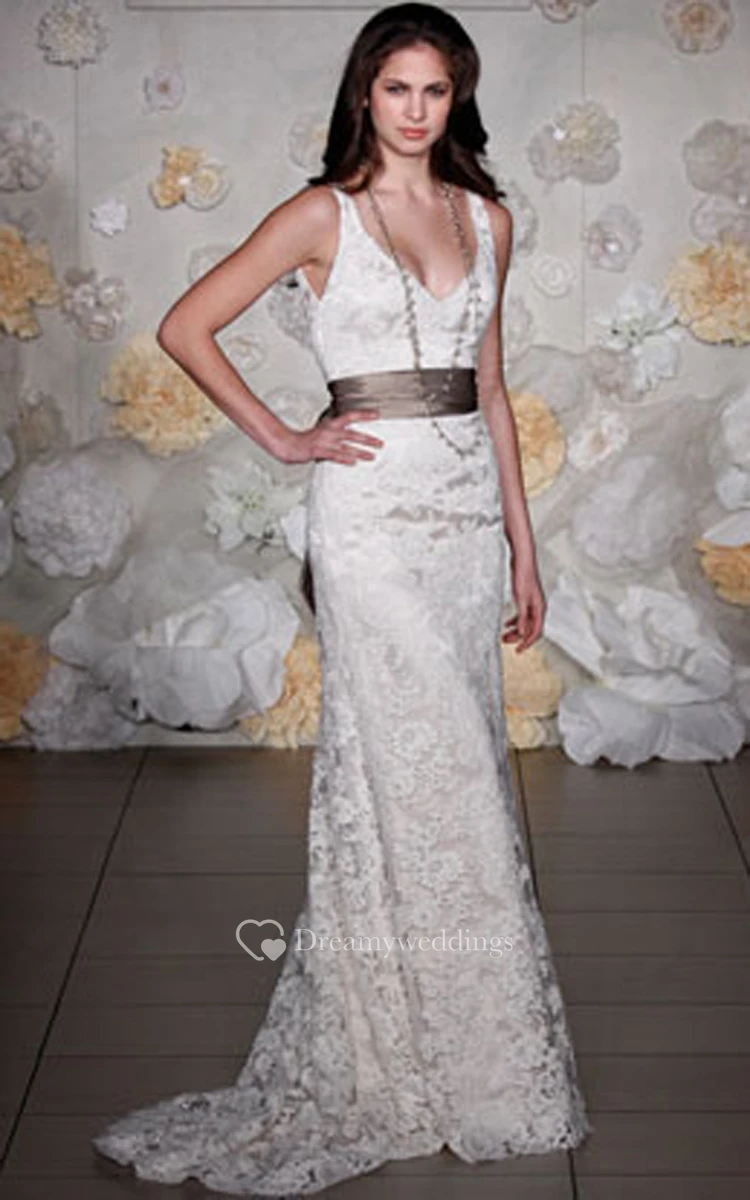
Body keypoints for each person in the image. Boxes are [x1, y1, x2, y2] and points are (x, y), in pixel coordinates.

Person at [91, 3, 592, 1193]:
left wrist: (524, 549)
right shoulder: (323, 213)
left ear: (457, 99)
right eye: (396, 88)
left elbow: (491, 387)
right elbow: (185, 325)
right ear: (364, 93)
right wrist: (284, 437)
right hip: (367, 522)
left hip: (462, 523)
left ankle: (476, 1052)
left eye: (435, 90)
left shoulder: (487, 218)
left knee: (467, 771)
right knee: (407, 770)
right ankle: (394, 1049)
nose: (415, 110)